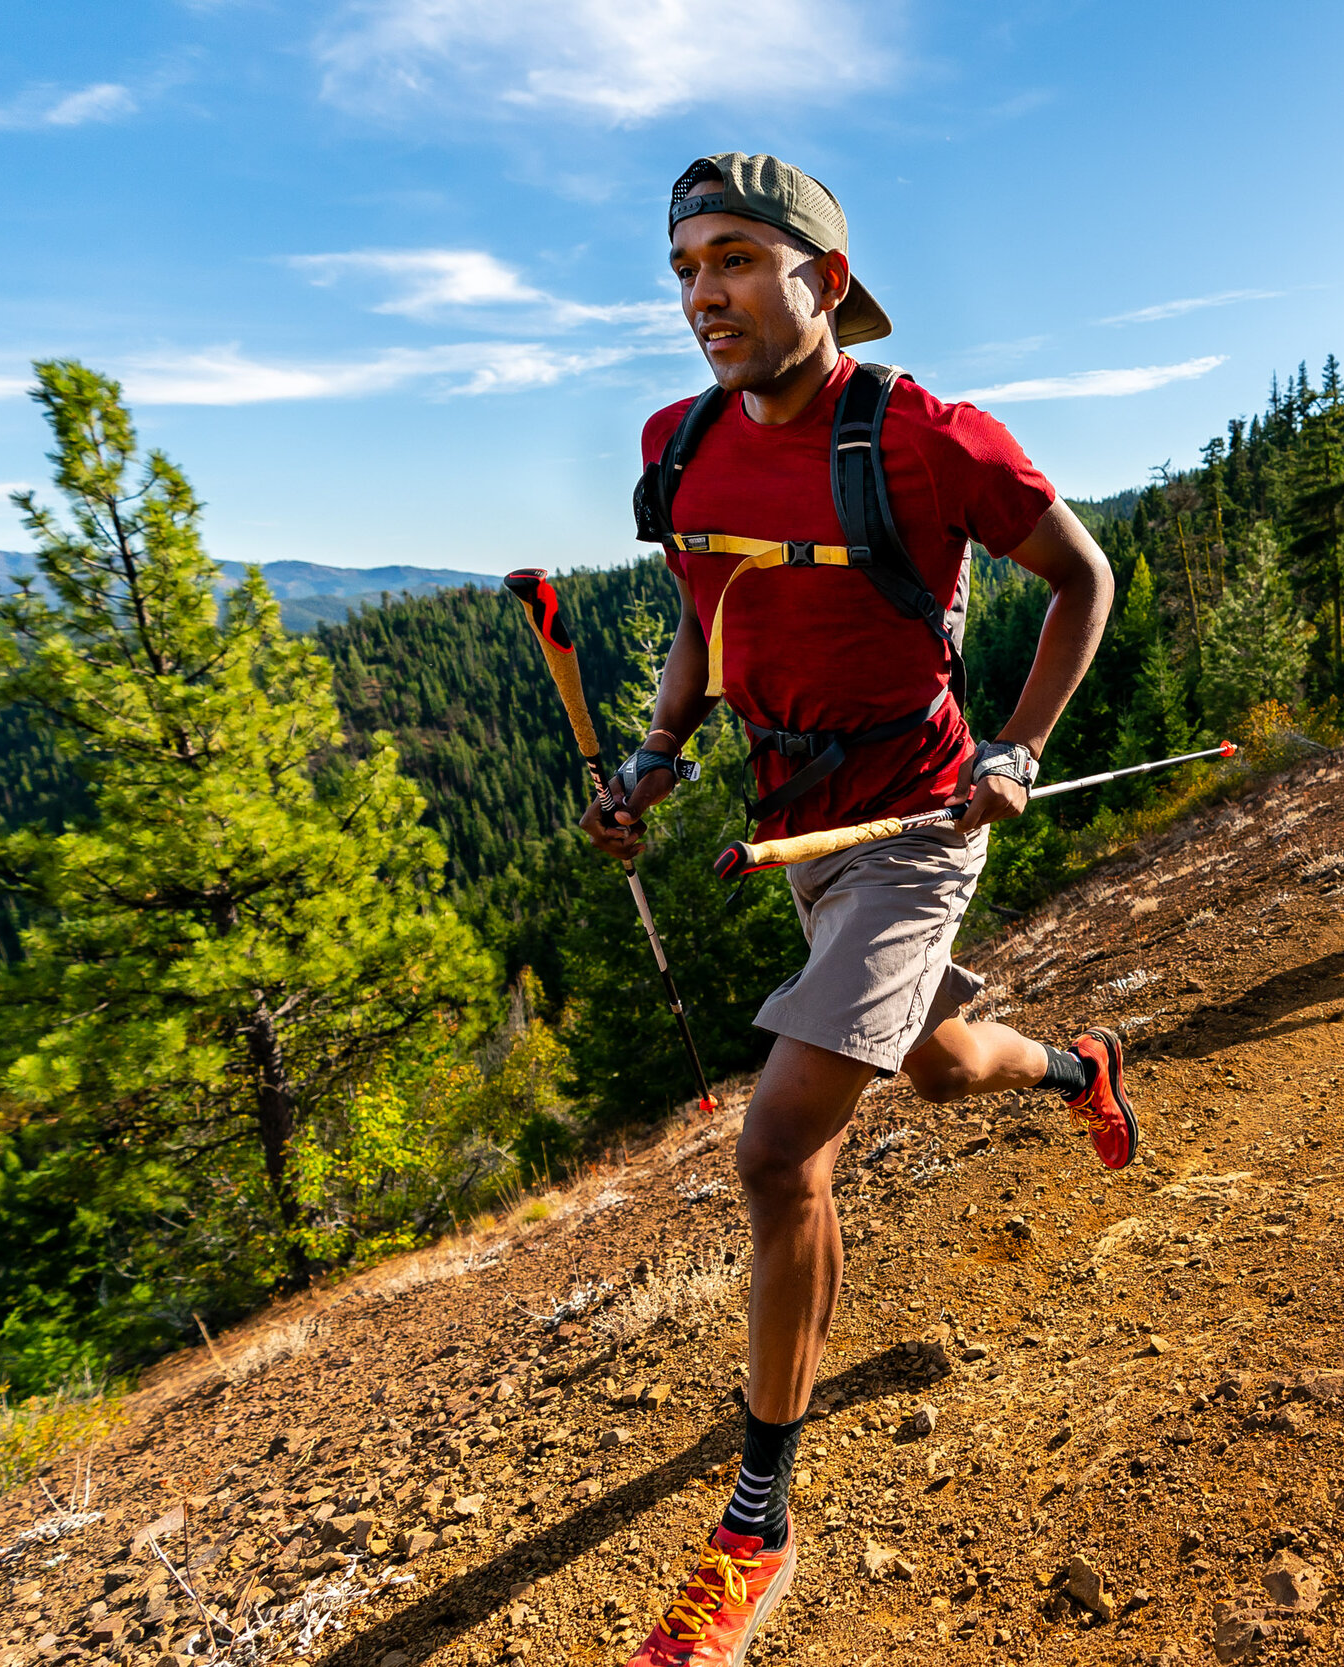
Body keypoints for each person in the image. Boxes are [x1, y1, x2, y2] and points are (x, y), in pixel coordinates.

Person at [580, 152, 1135, 1667]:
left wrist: (1018, 745)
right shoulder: (676, 444)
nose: (704, 293)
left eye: (740, 259)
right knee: (950, 1066)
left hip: (919, 823)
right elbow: (709, 619)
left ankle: (758, 1520)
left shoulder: (926, 439)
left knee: (777, 1150)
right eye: (687, 265)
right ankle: (1080, 1065)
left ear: (825, 276)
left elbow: (1081, 575)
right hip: (798, 834)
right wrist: (649, 763)